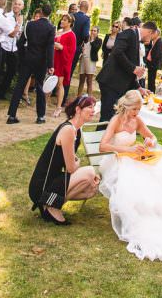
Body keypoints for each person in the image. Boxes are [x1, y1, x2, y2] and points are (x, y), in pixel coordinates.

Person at [99, 90, 162, 261]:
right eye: (134, 110)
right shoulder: (116, 121)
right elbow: (103, 146)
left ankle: (155, 212)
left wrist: (150, 141)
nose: (136, 113)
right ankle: (137, 216)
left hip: (134, 157)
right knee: (134, 176)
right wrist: (128, 149)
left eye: (139, 110)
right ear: (126, 107)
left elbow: (152, 137)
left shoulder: (137, 120)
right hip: (118, 159)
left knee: (159, 169)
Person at [28, 94, 100, 224]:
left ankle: (50, 204)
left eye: (94, 107)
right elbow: (71, 167)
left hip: (54, 179)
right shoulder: (68, 130)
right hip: (42, 186)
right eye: (89, 107)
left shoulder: (76, 130)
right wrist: (77, 162)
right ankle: (50, 205)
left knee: (91, 189)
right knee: (90, 172)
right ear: (78, 110)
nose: (93, 110)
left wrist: (74, 161)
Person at [7, 3, 56, 124]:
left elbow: (20, 43)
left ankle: (11, 115)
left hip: (28, 58)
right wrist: (50, 65)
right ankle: (40, 116)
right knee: (40, 87)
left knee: (20, 85)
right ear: (49, 14)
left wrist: (23, 57)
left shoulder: (30, 25)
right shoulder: (51, 28)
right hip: (41, 61)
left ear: (41, 12)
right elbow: (50, 48)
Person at [96, 19, 151, 121]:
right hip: (111, 82)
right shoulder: (130, 33)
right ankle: (101, 136)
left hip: (117, 84)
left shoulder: (135, 36)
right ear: (149, 32)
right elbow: (117, 52)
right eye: (151, 37)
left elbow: (127, 68)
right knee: (107, 118)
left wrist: (139, 88)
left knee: (112, 118)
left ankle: (106, 136)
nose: (150, 40)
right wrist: (134, 68)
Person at [0, 0, 24, 101]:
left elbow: (17, 34)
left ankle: (2, 93)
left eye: (19, 4)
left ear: (22, 7)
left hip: (14, 48)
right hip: (4, 46)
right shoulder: (7, 16)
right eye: (15, 4)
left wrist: (20, 31)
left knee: (12, 71)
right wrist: (18, 24)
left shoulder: (21, 18)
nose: (17, 6)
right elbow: (11, 34)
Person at [52, 13, 77, 117]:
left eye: (65, 20)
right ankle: (43, 104)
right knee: (49, 83)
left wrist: (62, 47)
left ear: (70, 23)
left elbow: (72, 51)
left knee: (59, 85)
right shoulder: (58, 32)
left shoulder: (71, 35)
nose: (62, 21)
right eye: (62, 19)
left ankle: (58, 107)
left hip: (62, 62)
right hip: (54, 60)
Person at [70, 0, 91, 86]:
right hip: (76, 47)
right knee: (70, 69)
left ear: (80, 7)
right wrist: (86, 41)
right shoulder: (86, 19)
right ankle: (64, 91)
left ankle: (55, 89)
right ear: (87, 8)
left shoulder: (72, 15)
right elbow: (85, 34)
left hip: (65, 44)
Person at [77, 25, 102, 97]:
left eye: (95, 31)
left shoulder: (99, 40)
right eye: (92, 30)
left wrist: (92, 40)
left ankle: (89, 99)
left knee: (89, 81)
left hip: (91, 62)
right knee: (81, 80)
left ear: (97, 32)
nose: (93, 32)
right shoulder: (86, 38)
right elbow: (81, 46)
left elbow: (96, 48)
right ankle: (78, 97)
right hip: (83, 60)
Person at [144, 25, 162, 92]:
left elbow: (157, 55)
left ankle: (151, 93)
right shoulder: (155, 41)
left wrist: (151, 63)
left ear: (156, 33)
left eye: (153, 33)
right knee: (150, 81)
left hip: (153, 65)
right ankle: (150, 92)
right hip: (151, 65)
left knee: (151, 82)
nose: (151, 35)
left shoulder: (159, 41)